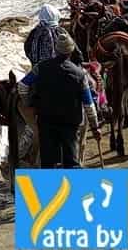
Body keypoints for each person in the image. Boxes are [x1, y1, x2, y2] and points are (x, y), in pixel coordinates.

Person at [30, 31, 101, 168]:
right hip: (70, 124)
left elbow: (23, 86)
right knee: (72, 163)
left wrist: (30, 102)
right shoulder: (80, 75)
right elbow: (88, 104)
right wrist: (95, 126)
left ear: (56, 50)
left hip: (46, 122)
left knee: (48, 163)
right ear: (70, 52)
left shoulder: (40, 68)